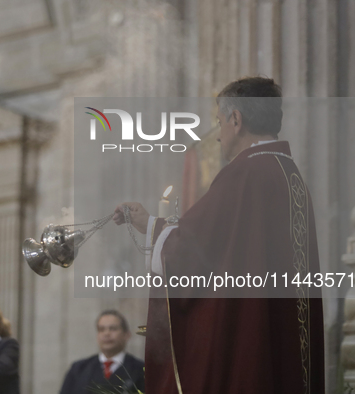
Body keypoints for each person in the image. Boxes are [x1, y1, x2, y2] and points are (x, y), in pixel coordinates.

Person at [113, 77, 325, 393]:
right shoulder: (291, 177)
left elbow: (190, 251)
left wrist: (152, 227)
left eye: (220, 123)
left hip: (250, 353)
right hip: (286, 349)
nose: (218, 137)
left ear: (236, 120)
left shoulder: (244, 174)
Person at [59, 310, 145, 394]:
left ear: (126, 335)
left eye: (113, 329)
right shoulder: (78, 369)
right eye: (101, 329)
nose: (106, 333)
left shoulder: (141, 370)